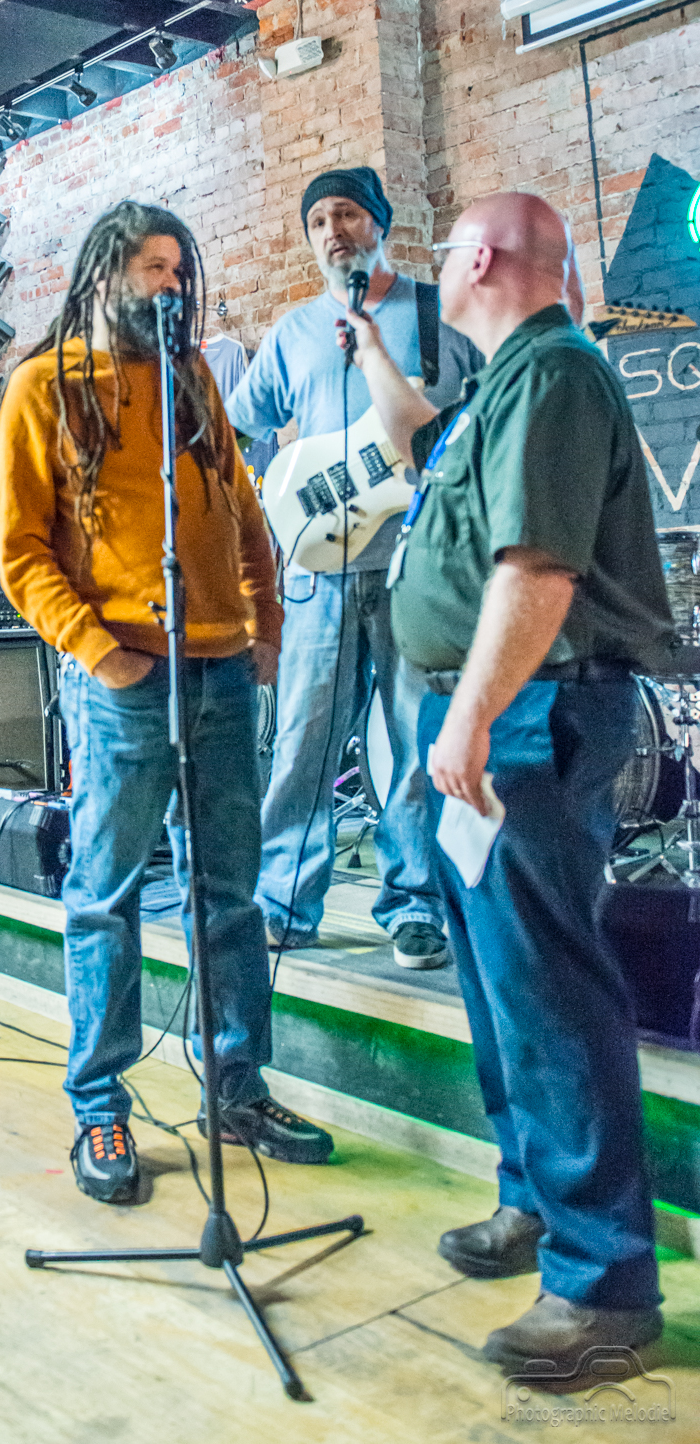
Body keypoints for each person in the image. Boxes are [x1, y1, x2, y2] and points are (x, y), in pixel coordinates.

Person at [343, 192, 674, 1369]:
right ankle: (534, 1197)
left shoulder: (555, 374)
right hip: (495, 712)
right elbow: (417, 443)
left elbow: (536, 568)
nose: (435, 266)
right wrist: (369, 346)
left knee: (548, 991)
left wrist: (472, 714)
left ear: (478, 256)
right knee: (500, 982)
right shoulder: (503, 387)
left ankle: (602, 1285)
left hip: (530, 711)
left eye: (446, 250)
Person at [0, 201, 334, 1207]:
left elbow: (242, 507)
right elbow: (21, 552)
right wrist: (102, 655)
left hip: (222, 669)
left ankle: (237, 1087)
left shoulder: (191, 378)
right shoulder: (44, 386)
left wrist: (266, 623)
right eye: (154, 266)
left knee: (230, 894)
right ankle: (99, 1104)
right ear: (105, 272)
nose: (173, 284)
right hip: (124, 681)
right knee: (105, 898)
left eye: (181, 268)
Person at [226, 166, 481, 969]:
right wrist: (264, 503)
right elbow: (237, 429)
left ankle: (414, 904)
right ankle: (283, 900)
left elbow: (478, 429)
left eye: (346, 215)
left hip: (416, 569)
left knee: (413, 745)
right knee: (303, 742)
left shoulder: (440, 317)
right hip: (315, 571)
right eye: (318, 221)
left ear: (380, 224)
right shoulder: (293, 332)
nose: (332, 231)